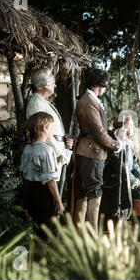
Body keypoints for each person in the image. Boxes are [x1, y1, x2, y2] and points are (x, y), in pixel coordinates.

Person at [73, 68, 123, 233]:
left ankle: (82, 234)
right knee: (93, 191)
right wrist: (117, 145)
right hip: (91, 152)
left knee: (85, 193)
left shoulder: (89, 99)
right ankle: (91, 234)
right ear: (99, 85)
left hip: (89, 151)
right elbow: (99, 133)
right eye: (105, 85)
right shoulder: (88, 101)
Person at [20, 112, 64, 257]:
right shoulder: (47, 150)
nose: (53, 130)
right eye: (52, 127)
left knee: (36, 229)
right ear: (45, 128)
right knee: (45, 232)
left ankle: (34, 263)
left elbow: (25, 173)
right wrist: (58, 202)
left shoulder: (27, 149)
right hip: (44, 195)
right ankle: (42, 265)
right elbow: (50, 180)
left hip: (29, 192)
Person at [99, 115, 140, 235]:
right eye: (131, 126)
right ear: (123, 126)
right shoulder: (113, 140)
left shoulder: (128, 142)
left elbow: (134, 164)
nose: (133, 128)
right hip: (114, 180)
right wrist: (133, 181)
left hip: (126, 178)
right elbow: (118, 166)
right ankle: (137, 229)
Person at [26, 68, 74, 185]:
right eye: (53, 82)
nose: (55, 85)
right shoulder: (36, 103)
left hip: (53, 154)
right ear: (44, 84)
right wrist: (59, 152)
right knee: (47, 194)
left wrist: (64, 140)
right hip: (48, 156)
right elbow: (42, 132)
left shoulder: (42, 101)